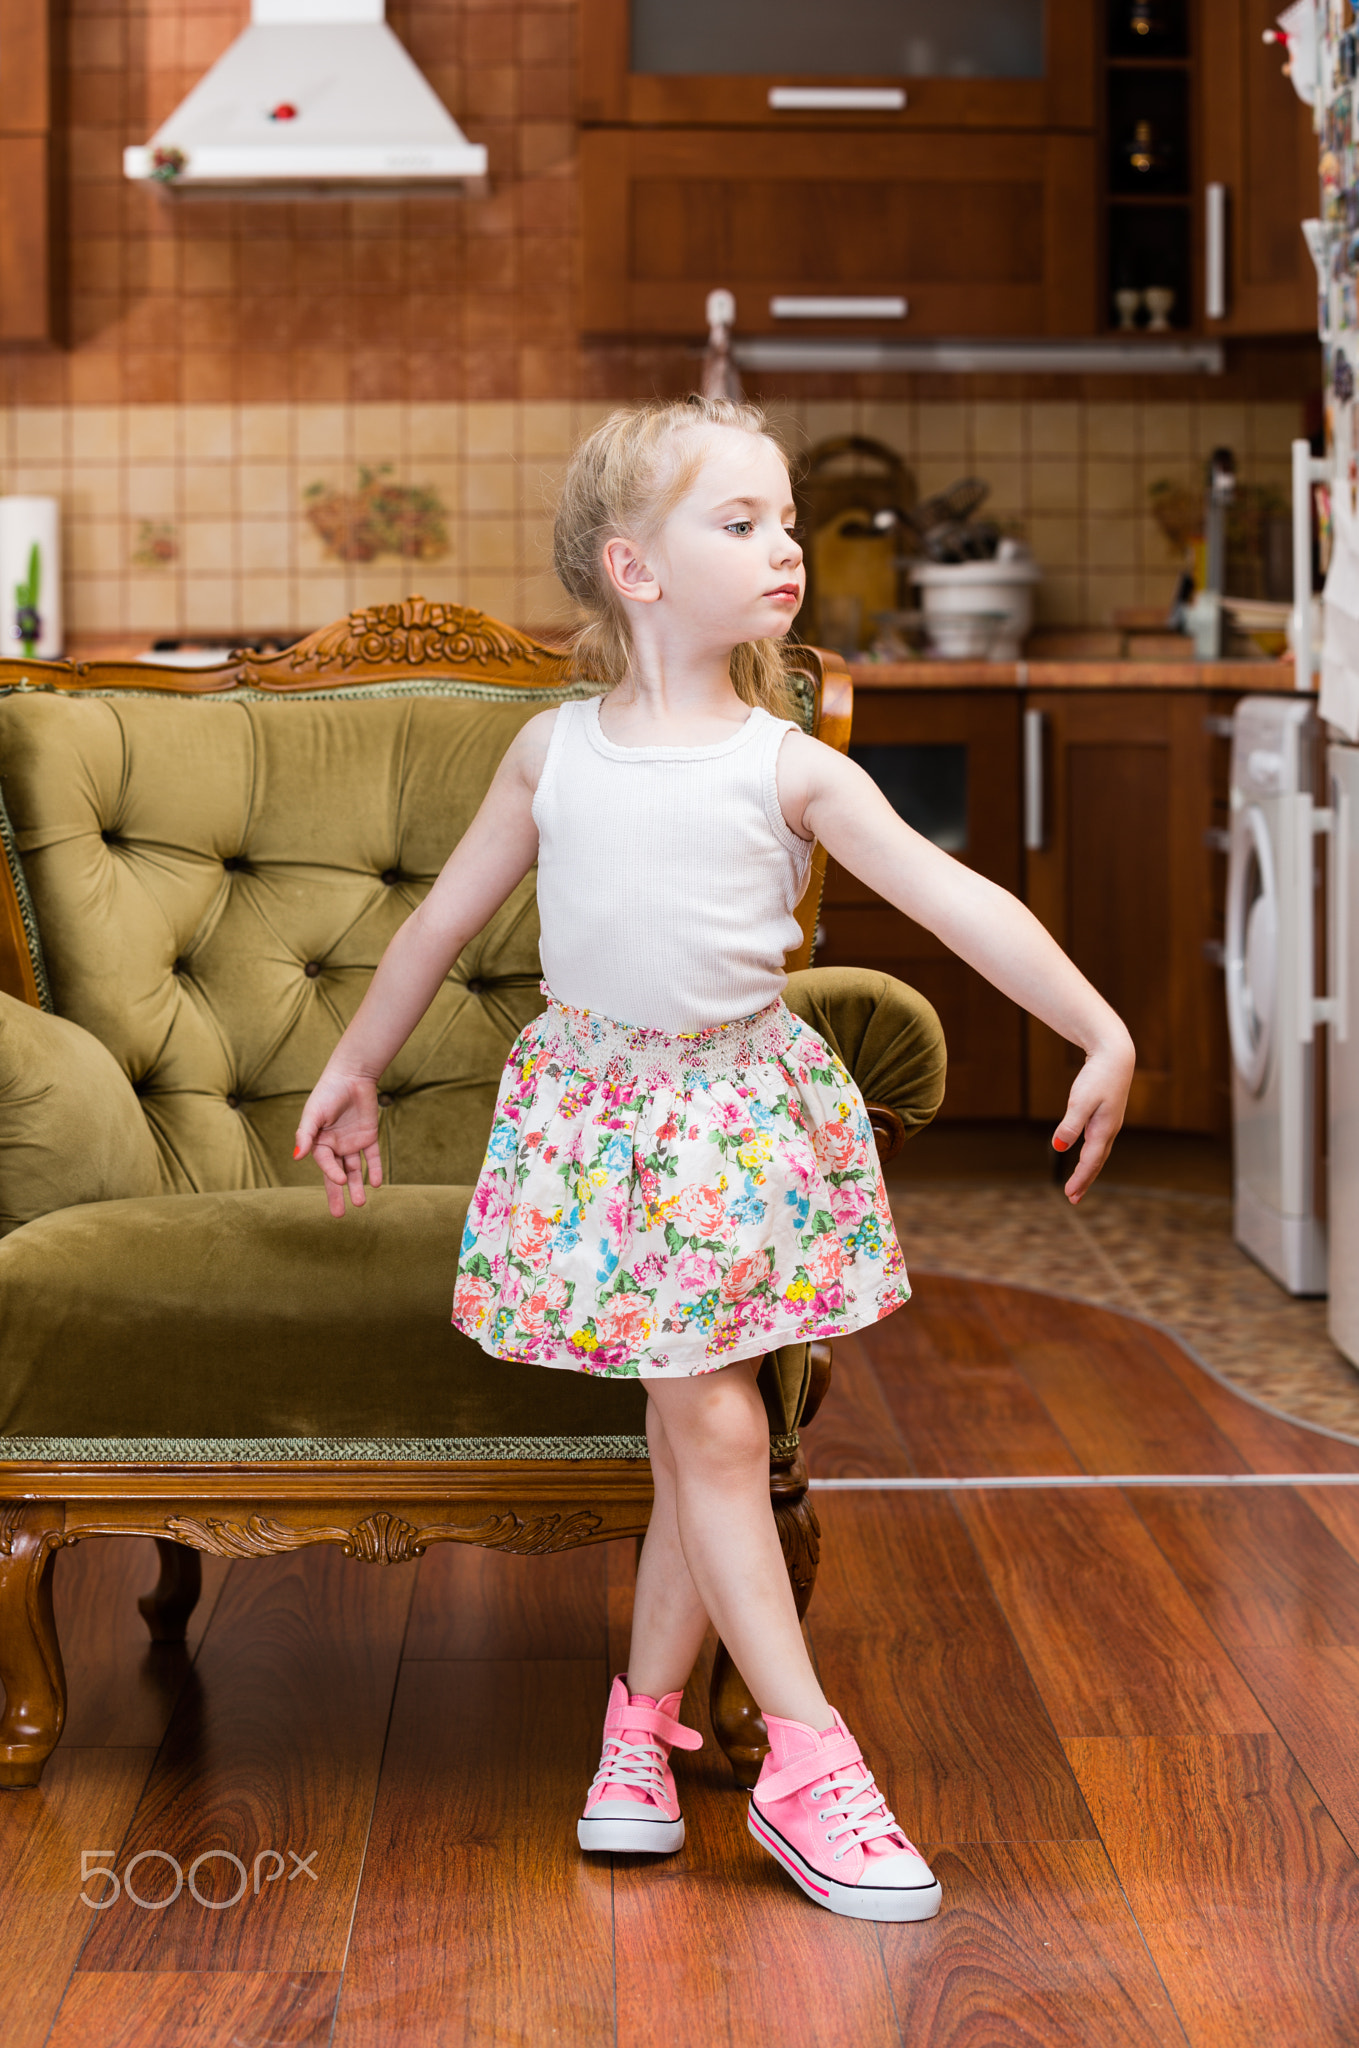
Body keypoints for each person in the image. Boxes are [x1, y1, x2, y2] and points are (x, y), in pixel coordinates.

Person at [294, 395, 1135, 1924]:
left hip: (737, 1131)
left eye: (788, 520)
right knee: (713, 1433)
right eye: (739, 524)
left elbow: (959, 901)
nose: (787, 549)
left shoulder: (788, 766)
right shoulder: (554, 758)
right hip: (604, 1132)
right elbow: (437, 924)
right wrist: (353, 1064)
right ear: (636, 569)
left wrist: (1101, 1029)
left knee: (706, 1434)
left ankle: (649, 1736)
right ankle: (802, 1759)